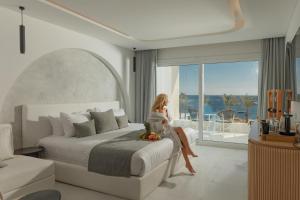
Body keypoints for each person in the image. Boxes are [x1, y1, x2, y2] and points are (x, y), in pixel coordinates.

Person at [148, 93, 197, 174]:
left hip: (168, 128)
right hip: (161, 132)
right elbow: (152, 125)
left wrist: (167, 114)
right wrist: (161, 123)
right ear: (163, 100)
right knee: (179, 132)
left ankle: (188, 163)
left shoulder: (165, 109)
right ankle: (188, 153)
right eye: (167, 100)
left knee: (180, 136)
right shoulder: (154, 111)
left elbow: (170, 120)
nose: (168, 101)